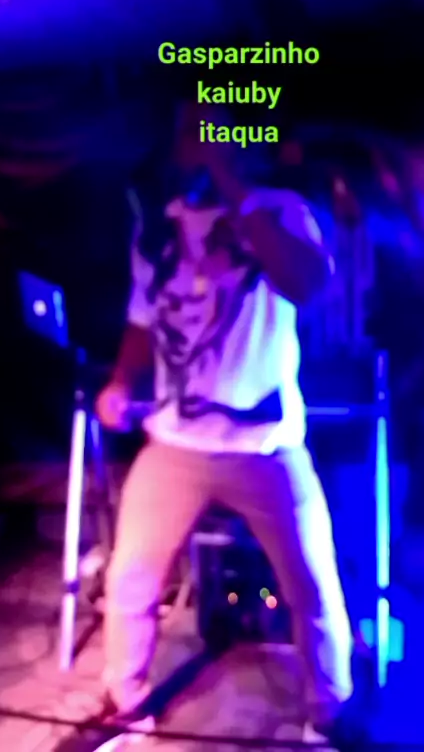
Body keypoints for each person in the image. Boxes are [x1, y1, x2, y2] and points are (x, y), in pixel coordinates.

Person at [58, 102, 360, 751]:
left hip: (266, 446)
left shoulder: (279, 211)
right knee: (131, 578)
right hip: (176, 443)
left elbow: (307, 283)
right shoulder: (159, 226)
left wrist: (229, 179)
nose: (193, 141)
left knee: (313, 584)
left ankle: (331, 713)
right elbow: (143, 318)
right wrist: (121, 381)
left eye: (209, 130)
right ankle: (126, 705)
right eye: (188, 132)